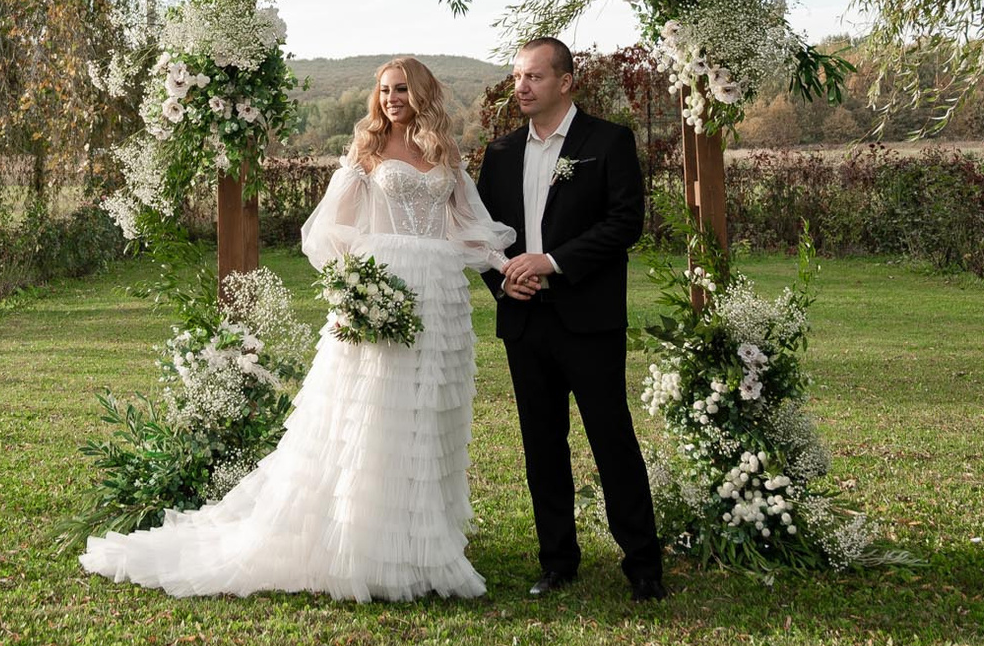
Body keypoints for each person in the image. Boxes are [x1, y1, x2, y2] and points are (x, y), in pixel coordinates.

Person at [82, 57, 514, 600]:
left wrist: (506, 266)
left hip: (441, 298)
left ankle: (422, 542)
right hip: (385, 289)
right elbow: (326, 229)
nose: (391, 98)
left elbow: (471, 228)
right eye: (383, 90)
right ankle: (363, 542)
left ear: (422, 93)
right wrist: (356, 287)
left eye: (401, 89)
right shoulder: (367, 153)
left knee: (427, 415)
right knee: (376, 413)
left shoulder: (445, 155)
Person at [478, 37, 666, 600]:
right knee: (542, 444)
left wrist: (553, 262)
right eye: (517, 77)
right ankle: (557, 560)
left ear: (565, 81)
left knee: (612, 439)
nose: (522, 87)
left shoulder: (607, 141)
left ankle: (643, 565)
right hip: (524, 320)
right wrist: (508, 276)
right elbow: (481, 233)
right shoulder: (501, 152)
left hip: (588, 318)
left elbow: (624, 222)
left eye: (534, 77)